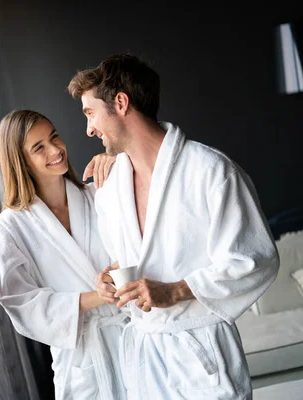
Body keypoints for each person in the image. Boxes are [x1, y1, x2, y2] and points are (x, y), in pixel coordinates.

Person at [68, 53, 279, 399]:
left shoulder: (210, 172)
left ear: (120, 103)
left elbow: (255, 261)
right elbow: (132, 258)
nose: (89, 129)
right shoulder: (110, 186)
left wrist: (177, 289)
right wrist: (111, 278)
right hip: (146, 359)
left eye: (90, 113)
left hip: (201, 353)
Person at [0, 109, 127, 399]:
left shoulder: (97, 195)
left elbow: (140, 240)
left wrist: (120, 162)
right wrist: (94, 297)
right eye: (39, 147)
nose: (55, 150)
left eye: (54, 137)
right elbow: (17, 300)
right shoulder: (15, 224)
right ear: (20, 161)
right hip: (83, 360)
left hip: (133, 340)